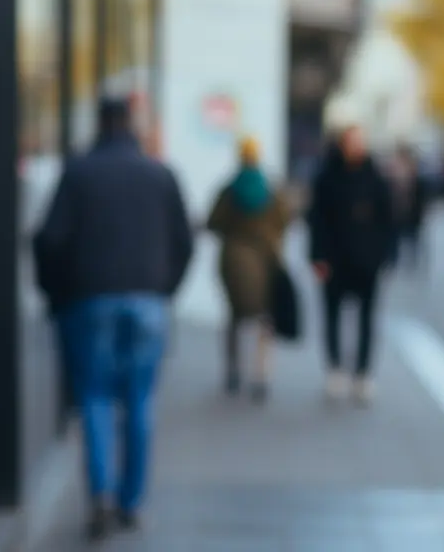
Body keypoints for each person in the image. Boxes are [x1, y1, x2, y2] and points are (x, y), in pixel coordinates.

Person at [33, 97, 194, 541]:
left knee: (96, 399)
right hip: (148, 302)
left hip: (90, 302)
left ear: (99, 124)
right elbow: (185, 241)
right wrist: (163, 288)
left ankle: (101, 495)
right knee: (140, 401)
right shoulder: (160, 175)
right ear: (132, 126)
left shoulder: (79, 173)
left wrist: (57, 294)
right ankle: (132, 501)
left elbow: (49, 240)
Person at [307, 125, 395, 405]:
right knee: (331, 315)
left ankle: (363, 373)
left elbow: (388, 219)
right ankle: (335, 369)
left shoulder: (376, 177)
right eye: (352, 141)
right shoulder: (326, 177)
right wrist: (318, 256)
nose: (357, 147)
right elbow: (316, 220)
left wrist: (385, 255)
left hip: (367, 262)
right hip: (334, 260)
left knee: (367, 319)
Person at [206, 135, 290, 402]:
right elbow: (284, 220)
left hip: (233, 259)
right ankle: (261, 376)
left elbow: (213, 222)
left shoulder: (228, 190)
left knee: (234, 318)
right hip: (266, 259)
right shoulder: (272, 189)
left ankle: (233, 371)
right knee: (265, 320)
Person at [389, 143, 431, 275]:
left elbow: (421, 196)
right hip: (397, 214)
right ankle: (394, 261)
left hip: (412, 214)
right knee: (396, 239)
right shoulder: (393, 174)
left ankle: (412, 263)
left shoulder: (416, 176)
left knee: (412, 240)